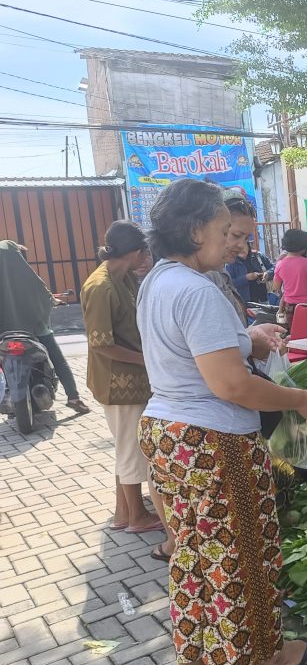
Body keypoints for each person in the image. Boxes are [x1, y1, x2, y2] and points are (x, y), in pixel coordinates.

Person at [135, 178, 307, 665]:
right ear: (196, 229)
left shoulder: (158, 279)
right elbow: (231, 385)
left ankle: (192, 658)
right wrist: (302, 401)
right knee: (244, 549)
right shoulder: (198, 291)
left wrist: (244, 338)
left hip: (170, 435)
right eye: (225, 230)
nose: (233, 242)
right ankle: (265, 654)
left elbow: (196, 353)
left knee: (194, 550)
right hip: (214, 442)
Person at [79, 222, 174, 556]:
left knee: (126, 448)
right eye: (144, 252)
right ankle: (137, 515)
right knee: (132, 450)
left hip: (131, 380)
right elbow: (101, 343)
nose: (146, 257)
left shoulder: (122, 279)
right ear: (134, 253)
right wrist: (146, 359)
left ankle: (124, 513)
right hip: (117, 382)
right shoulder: (100, 286)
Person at [0, 240, 90, 415]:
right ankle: (73, 398)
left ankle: (10, 398)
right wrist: (52, 300)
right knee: (58, 359)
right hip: (35, 329)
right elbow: (42, 293)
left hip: (4, 334)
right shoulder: (24, 274)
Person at [226, 238, 274, 304]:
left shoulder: (258, 256)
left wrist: (267, 274)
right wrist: (246, 278)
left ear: (248, 245)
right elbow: (229, 283)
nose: (241, 250)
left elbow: (275, 269)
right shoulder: (231, 262)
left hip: (263, 299)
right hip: (244, 302)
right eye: (238, 248)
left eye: (243, 247)